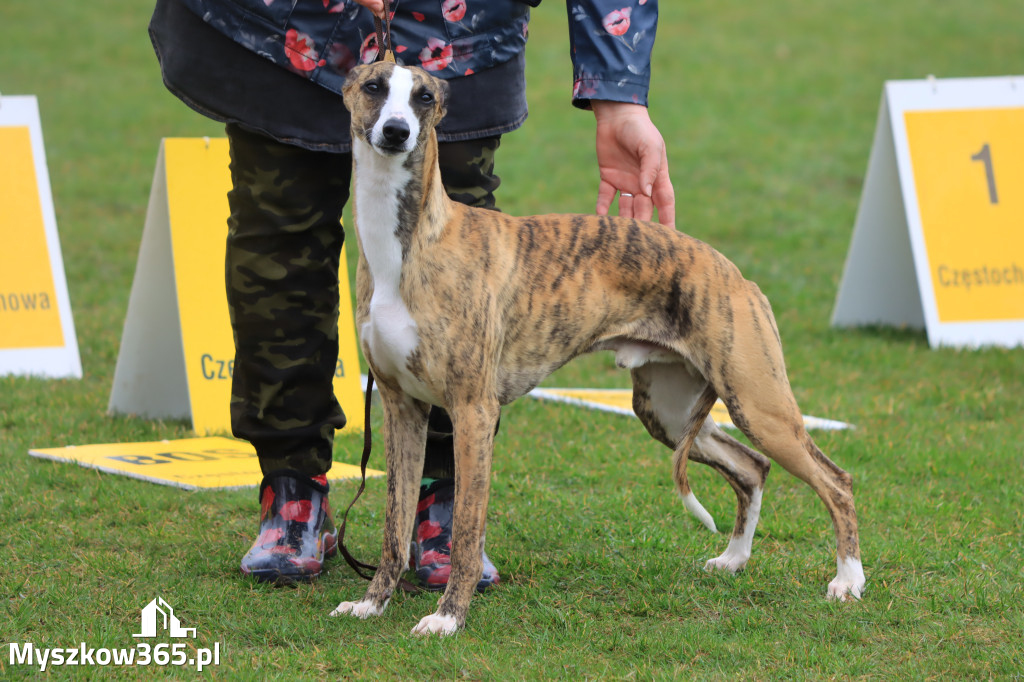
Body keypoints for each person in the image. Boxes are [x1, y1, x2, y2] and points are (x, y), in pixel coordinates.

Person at [149, 0, 675, 589]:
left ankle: (442, 499)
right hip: (284, 30)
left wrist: (619, 89)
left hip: (462, 32)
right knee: (277, 235)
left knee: (463, 245)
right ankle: (291, 485)